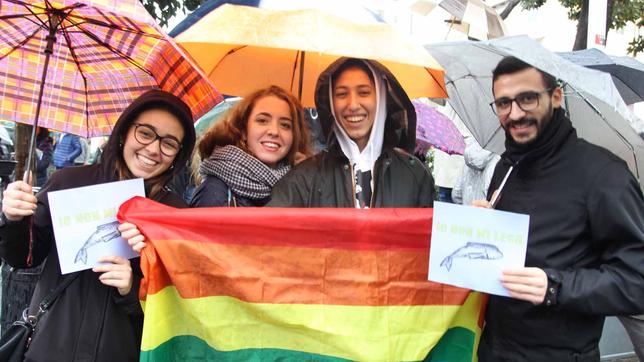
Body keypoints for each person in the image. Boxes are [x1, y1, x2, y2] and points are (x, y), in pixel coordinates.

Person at [0, 89, 196, 361]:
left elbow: (179, 309)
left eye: (169, 143)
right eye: (146, 133)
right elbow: (22, 257)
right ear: (125, 132)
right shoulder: (68, 182)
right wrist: (14, 218)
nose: (153, 149)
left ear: (178, 154)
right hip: (50, 350)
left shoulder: (174, 214)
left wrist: (132, 289)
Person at [475, 56, 644, 361]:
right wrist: (483, 226)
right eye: (503, 103)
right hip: (494, 349)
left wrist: (556, 287)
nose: (514, 114)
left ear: (555, 96)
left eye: (527, 99)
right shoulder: (505, 167)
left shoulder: (604, 175)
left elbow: (636, 281)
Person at [269, 58, 434, 207]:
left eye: (364, 92)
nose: (353, 105)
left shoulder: (415, 176)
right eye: (341, 94)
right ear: (331, 103)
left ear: (381, 98)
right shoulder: (303, 179)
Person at [190, 85, 312, 207]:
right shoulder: (214, 192)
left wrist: (307, 179)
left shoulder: (304, 185)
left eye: (285, 125)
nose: (274, 131)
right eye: (262, 121)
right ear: (243, 130)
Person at [451, 137, 500, 206]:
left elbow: (456, 193)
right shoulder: (499, 158)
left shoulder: (470, 149)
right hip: (485, 213)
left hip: (466, 212)